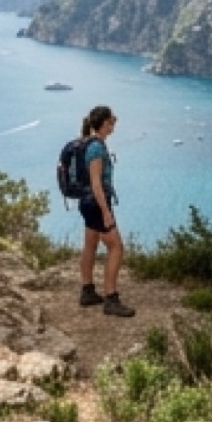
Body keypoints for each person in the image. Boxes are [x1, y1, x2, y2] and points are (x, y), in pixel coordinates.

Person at [78, 105, 135, 317]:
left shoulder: (87, 143)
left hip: (87, 203)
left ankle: (87, 291)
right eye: (112, 121)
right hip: (96, 203)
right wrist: (106, 211)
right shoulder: (96, 148)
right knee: (116, 247)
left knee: (90, 243)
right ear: (103, 123)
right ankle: (111, 298)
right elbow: (96, 183)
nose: (114, 124)